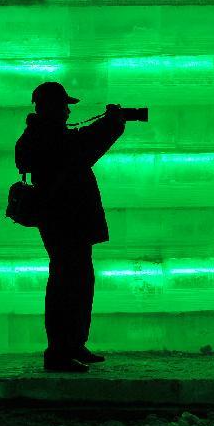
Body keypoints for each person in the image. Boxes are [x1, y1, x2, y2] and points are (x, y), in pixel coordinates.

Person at [14, 82, 126, 372]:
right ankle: (59, 353)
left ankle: (73, 345)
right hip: (63, 221)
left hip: (67, 220)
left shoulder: (45, 136)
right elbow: (82, 149)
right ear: (50, 108)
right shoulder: (44, 138)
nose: (67, 111)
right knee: (67, 284)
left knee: (78, 282)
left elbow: (78, 146)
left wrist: (107, 125)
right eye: (63, 106)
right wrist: (111, 124)